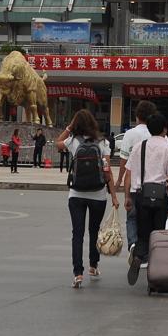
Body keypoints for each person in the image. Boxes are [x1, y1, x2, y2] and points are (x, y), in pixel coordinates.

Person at [118, 110, 168, 284]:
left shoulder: (139, 147)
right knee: (159, 235)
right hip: (160, 198)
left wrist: (127, 197)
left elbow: (128, 174)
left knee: (143, 234)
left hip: (141, 196)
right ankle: (156, 273)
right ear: (165, 129)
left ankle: (138, 256)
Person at [56, 109, 113, 287]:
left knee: (77, 233)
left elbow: (57, 143)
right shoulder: (103, 142)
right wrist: (114, 195)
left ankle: (78, 273)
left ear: (76, 124)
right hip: (98, 194)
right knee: (94, 230)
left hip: (76, 194)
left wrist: (69, 128)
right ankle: (93, 266)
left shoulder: (73, 141)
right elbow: (107, 171)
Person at [117, 100, 158, 257]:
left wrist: (120, 180)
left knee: (132, 218)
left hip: (135, 184)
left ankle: (133, 245)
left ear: (137, 116)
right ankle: (149, 250)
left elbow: (124, 161)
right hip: (155, 187)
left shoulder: (130, 134)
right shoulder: (158, 134)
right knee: (151, 220)